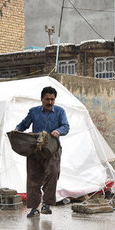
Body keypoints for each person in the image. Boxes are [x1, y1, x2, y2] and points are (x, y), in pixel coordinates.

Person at [15, 86, 69, 218]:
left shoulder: (60, 112)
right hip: (35, 149)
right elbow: (23, 125)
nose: (49, 102)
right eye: (47, 99)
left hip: (53, 148)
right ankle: (34, 208)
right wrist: (17, 130)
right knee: (33, 177)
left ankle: (47, 205)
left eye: (52, 99)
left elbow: (66, 126)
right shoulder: (33, 112)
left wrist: (58, 131)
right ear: (41, 99)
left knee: (53, 173)